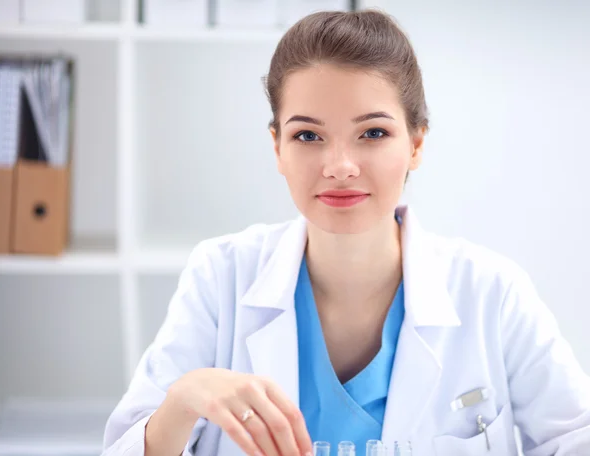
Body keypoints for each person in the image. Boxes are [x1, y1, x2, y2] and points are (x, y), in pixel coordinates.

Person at [101, 9, 590, 456]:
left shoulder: (492, 292)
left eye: (373, 133)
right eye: (308, 136)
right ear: (277, 148)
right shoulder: (220, 276)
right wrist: (185, 399)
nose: (339, 167)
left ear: (416, 143)